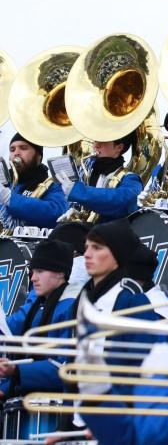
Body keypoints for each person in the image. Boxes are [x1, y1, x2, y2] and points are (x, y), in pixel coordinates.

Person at [0, 239, 76, 398]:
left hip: (54, 407)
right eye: (33, 272)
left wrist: (15, 370)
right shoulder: (38, 307)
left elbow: (65, 368)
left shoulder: (71, 307)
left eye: (40, 271)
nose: (33, 278)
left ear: (61, 272)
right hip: (26, 398)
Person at [60, 132, 142, 222]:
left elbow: (120, 202)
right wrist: (79, 214)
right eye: (95, 141)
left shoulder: (131, 179)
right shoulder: (89, 174)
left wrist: (79, 191)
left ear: (119, 147)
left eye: (103, 141)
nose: (96, 145)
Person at [0, 133, 68, 228]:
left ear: (38, 156)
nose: (16, 153)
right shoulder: (5, 183)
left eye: (23, 148)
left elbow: (57, 215)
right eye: (12, 149)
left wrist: (9, 198)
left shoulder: (53, 185)